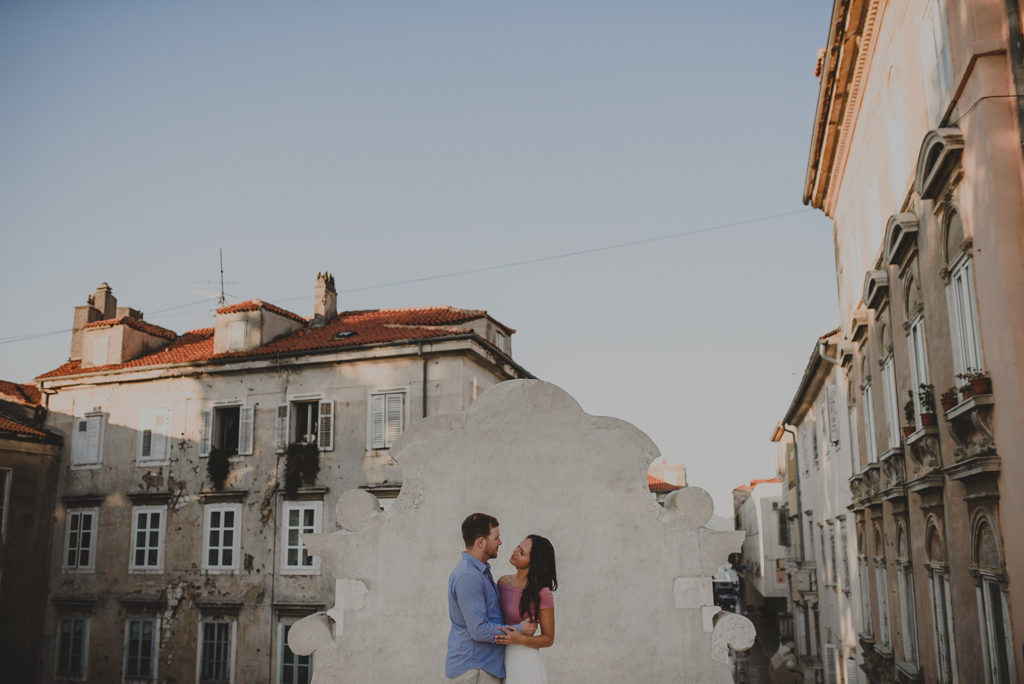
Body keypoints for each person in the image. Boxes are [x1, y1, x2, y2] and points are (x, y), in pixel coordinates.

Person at [447, 513, 526, 683]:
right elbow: (479, 630)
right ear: (481, 542)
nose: (500, 542)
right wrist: (520, 630)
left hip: (483, 668)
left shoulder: (479, 571)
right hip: (474, 670)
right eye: (496, 538)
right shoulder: (469, 576)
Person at [494, 535, 557, 684]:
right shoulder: (502, 583)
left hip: (524, 662)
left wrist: (520, 639)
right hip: (499, 660)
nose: (515, 552)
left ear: (533, 563)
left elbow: (548, 638)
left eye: (522, 553)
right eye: (518, 547)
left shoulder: (542, 593)